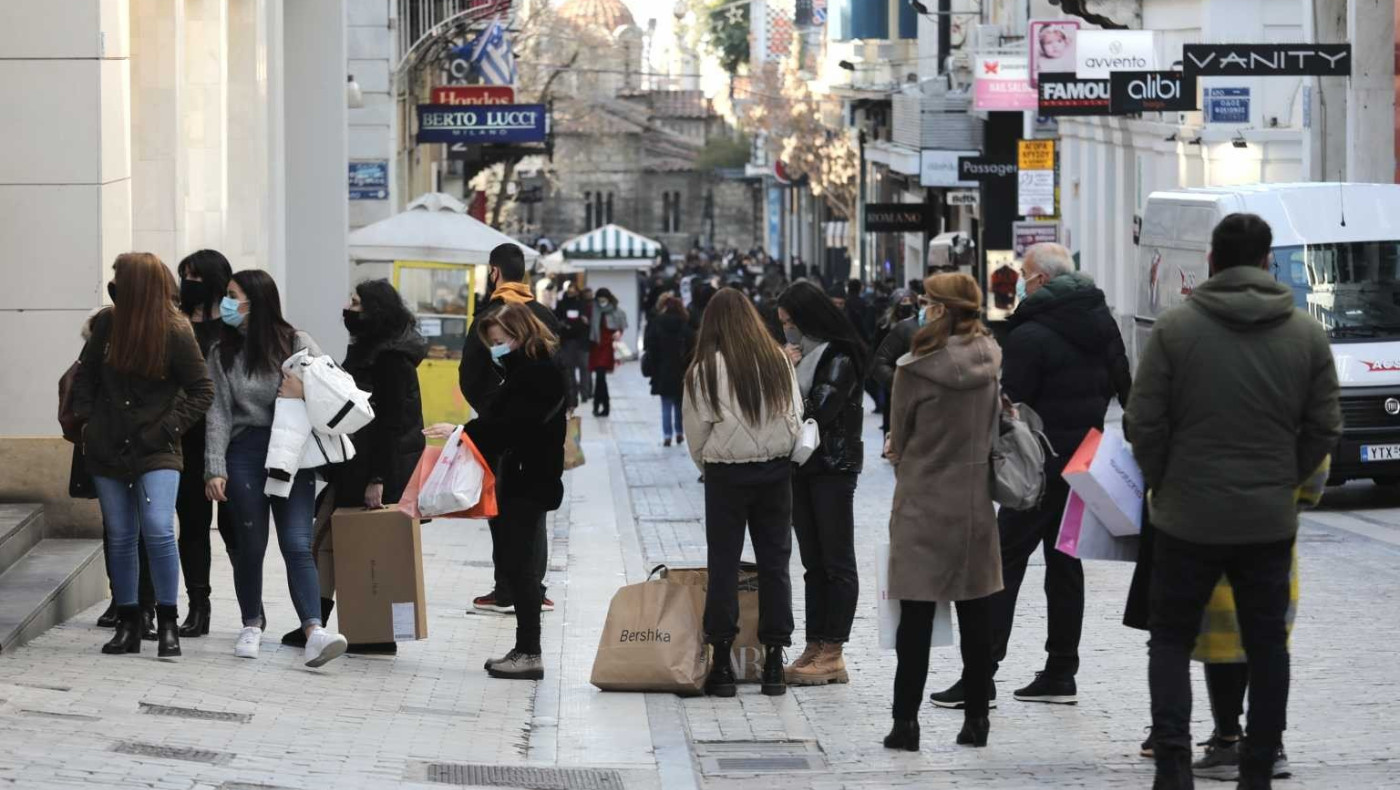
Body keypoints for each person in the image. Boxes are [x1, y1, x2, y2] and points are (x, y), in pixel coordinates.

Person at [1126, 214, 1341, 789]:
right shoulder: (1304, 334)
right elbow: (1324, 429)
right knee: (1267, 643)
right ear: (1268, 262)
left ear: (1212, 262)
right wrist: (1284, 481)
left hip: (1185, 517)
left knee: (1170, 638)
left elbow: (1142, 422)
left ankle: (1172, 764)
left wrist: (1164, 481)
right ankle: (1257, 766)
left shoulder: (1175, 330)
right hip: (1267, 520)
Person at [929, 243, 1131, 710]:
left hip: (1034, 467)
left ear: (1041, 281)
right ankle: (1062, 671)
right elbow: (1127, 389)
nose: (1020, 281)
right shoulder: (1104, 324)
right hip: (1083, 462)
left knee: (1001, 564)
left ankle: (981, 675)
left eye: (1025, 274)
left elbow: (1008, 403)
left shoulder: (1031, 333)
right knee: (1065, 565)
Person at [204, 269, 349, 667]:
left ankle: (314, 631)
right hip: (245, 451)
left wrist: (303, 390)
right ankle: (252, 623)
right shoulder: (222, 352)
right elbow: (217, 413)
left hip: (294, 451)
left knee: (297, 543)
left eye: (233, 296)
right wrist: (214, 467)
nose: (226, 304)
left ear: (256, 300)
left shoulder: (297, 342)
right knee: (250, 544)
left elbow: (336, 387)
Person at [72, 252, 214, 657]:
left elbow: (203, 390)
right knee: (120, 536)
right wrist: (88, 422)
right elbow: (85, 377)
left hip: (158, 447)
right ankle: (130, 622)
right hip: (108, 446)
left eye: (118, 277)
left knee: (157, 528)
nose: (112, 284)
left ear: (137, 284)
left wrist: (167, 428)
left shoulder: (175, 329)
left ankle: (167, 621)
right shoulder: (108, 325)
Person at [883, 272, 1003, 751]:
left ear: (938, 308)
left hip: (924, 501)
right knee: (976, 617)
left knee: (914, 621)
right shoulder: (991, 360)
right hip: (974, 501)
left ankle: (905, 724)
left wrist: (899, 450)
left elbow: (899, 439)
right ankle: (977, 721)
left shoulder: (915, 369)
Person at [280, 279, 426, 654]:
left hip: (373, 470)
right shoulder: (371, 350)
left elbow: (391, 424)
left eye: (356, 302)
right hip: (355, 465)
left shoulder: (390, 359)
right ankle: (322, 622)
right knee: (327, 543)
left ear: (375, 311)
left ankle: (365, 628)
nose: (349, 307)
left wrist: (377, 480)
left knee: (342, 545)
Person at [426, 303, 568, 680]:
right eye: (493, 342)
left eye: (500, 340)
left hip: (529, 480)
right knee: (515, 563)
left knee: (521, 568)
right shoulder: (526, 371)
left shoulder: (537, 375)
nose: (496, 348)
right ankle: (524, 649)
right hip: (522, 478)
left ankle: (529, 652)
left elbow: (511, 427)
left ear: (521, 335)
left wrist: (461, 431)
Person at [682, 288, 803, 698]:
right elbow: (796, 416)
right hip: (774, 473)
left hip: (725, 477)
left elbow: (695, 434)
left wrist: (710, 464)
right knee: (775, 565)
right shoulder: (778, 362)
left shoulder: (704, 369)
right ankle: (773, 661)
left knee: (723, 565)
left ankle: (721, 664)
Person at [461, 244, 563, 616]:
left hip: (504, 435)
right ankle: (533, 586)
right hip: (542, 437)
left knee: (505, 510)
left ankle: (511, 589)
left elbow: (470, 375)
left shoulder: (491, 315)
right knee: (532, 514)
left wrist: (493, 417)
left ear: (494, 272)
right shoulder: (544, 315)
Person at [776, 281, 868, 686]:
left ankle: (834, 650)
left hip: (832, 465)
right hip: (802, 467)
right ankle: (815, 645)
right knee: (813, 562)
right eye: (782, 323)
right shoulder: (802, 356)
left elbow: (819, 409)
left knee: (836, 560)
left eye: (790, 322)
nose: (787, 330)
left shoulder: (838, 355)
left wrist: (785, 373)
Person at [172, 249, 236, 638]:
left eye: (194, 277)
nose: (186, 285)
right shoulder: (176, 323)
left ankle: (252, 605)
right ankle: (199, 605)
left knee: (236, 530)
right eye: (184, 277)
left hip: (231, 441)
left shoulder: (233, 324)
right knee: (192, 526)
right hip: (185, 440)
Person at [642, 294, 694, 447]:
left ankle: (667, 435)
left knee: (666, 404)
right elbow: (692, 346)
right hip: (681, 370)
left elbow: (650, 346)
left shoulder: (657, 323)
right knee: (679, 404)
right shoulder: (684, 324)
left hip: (662, 370)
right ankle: (679, 432)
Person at [870, 289, 919, 440]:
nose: (907, 304)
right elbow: (878, 353)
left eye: (909, 301)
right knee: (890, 409)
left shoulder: (917, 325)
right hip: (893, 373)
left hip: (909, 375)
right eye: (903, 302)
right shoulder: (885, 325)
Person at [588, 287, 627, 417]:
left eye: (603, 299)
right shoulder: (593, 309)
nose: (601, 302)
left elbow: (621, 326)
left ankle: (599, 406)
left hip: (608, 347)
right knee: (600, 379)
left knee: (600, 377)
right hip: (596, 346)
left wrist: (618, 332)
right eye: (599, 299)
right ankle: (603, 407)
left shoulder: (616, 311)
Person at [555, 280, 592, 405]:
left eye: (574, 288)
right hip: (567, 341)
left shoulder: (583, 304)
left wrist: (584, 322)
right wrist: (564, 324)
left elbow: (588, 321)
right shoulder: (561, 304)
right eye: (569, 288)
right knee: (569, 369)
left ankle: (585, 393)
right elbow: (557, 320)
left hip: (582, 341)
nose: (572, 291)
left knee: (584, 368)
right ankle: (573, 394)